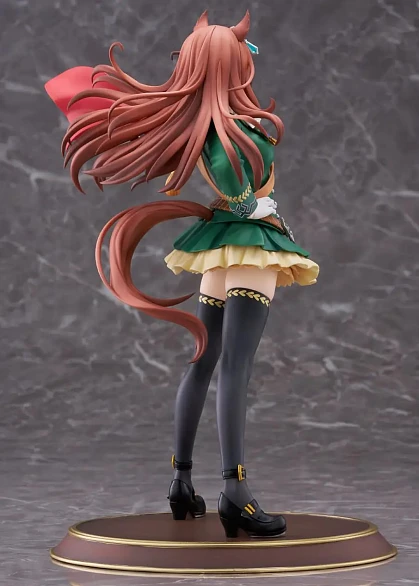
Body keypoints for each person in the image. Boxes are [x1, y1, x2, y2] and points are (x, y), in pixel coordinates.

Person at [45, 9, 319, 539]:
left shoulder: (207, 123)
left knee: (204, 361)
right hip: (249, 248)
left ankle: (181, 483)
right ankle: (235, 492)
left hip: (219, 250)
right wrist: (262, 209)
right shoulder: (227, 130)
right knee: (233, 365)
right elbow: (238, 194)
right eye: (241, 57)